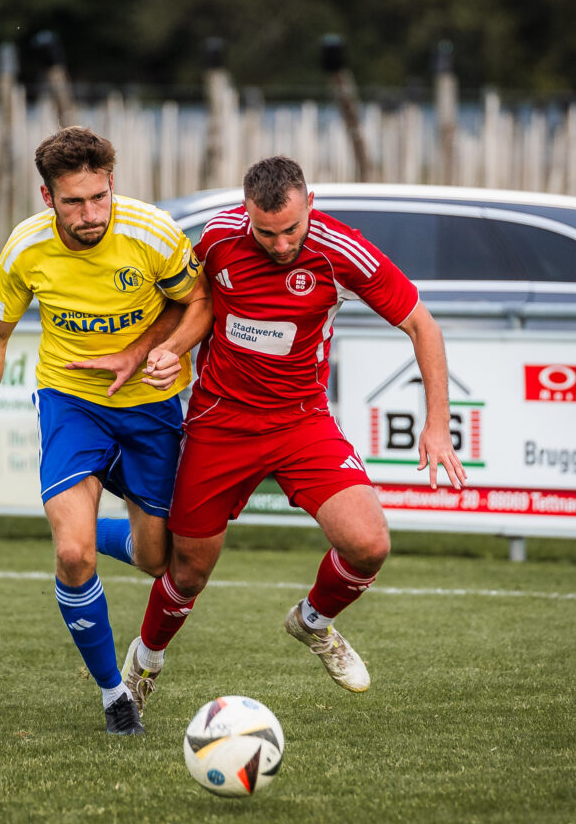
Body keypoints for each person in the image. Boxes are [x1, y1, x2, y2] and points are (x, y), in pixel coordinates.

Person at [122, 155, 467, 714]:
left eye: (291, 229)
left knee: (369, 544)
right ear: (246, 214)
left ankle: (313, 622)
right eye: (266, 233)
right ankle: (145, 660)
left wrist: (436, 424)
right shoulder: (217, 239)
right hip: (220, 422)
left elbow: (421, 324)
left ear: (311, 203)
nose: (281, 245)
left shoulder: (341, 250)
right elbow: (194, 303)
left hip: (300, 422)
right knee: (187, 572)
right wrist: (166, 350)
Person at [0, 126, 211, 736]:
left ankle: (108, 535)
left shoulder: (152, 233)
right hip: (71, 403)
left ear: (111, 183)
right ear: (48, 197)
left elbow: (198, 301)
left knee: (157, 559)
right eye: (74, 202)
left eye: (99, 197)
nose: (90, 214)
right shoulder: (26, 250)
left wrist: (161, 351)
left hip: (152, 408)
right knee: (72, 553)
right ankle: (115, 695)